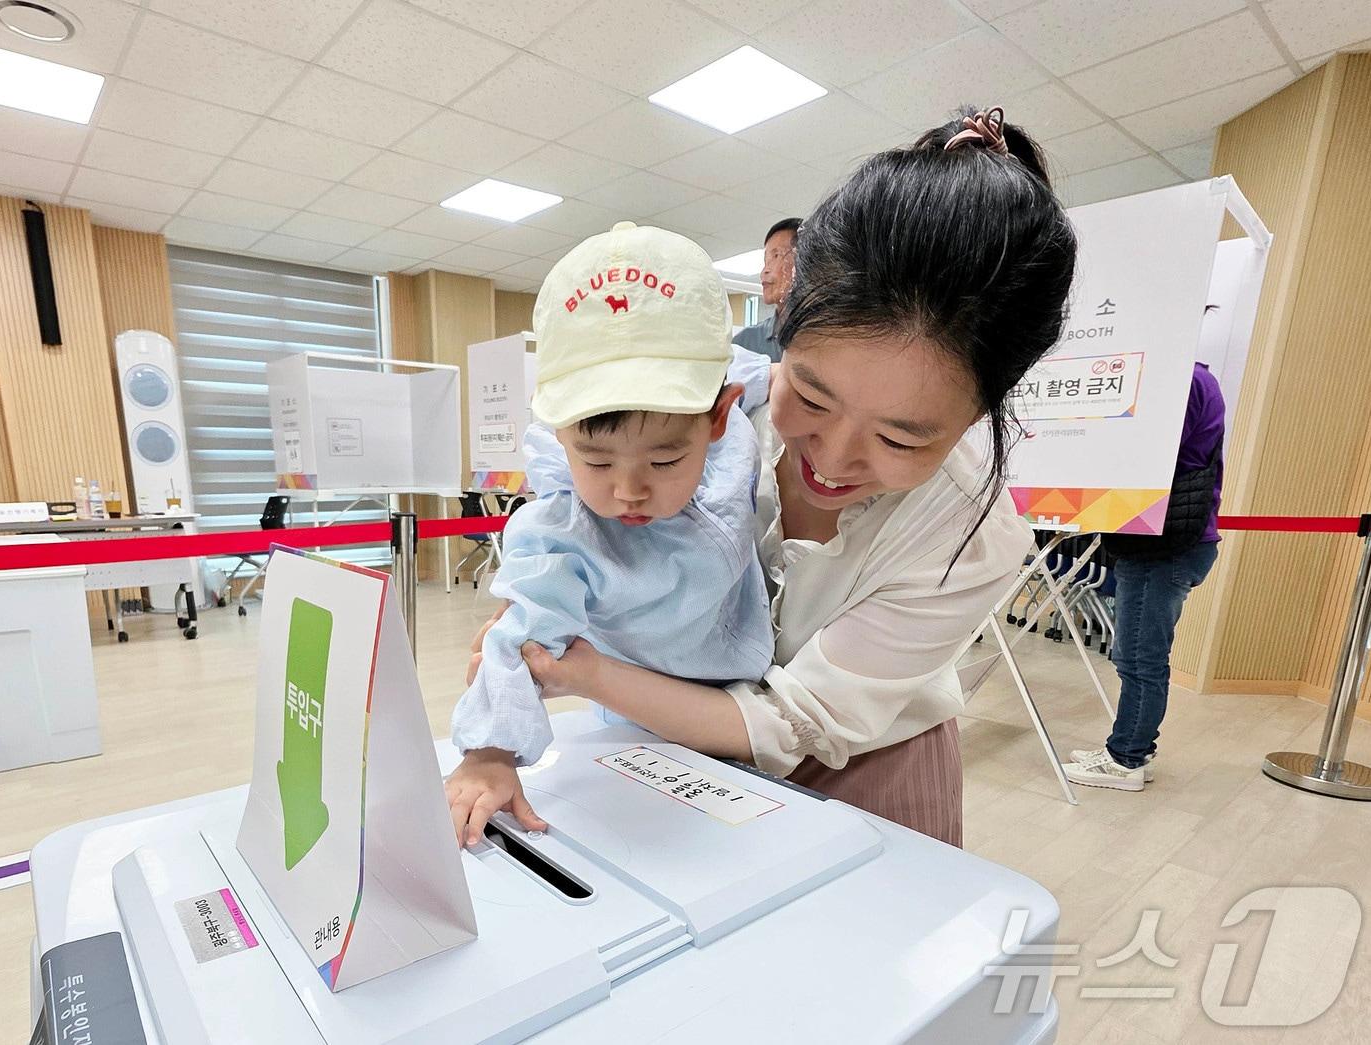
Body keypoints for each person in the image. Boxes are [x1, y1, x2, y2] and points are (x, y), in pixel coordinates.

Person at [467, 107, 1078, 847]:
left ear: (980, 413)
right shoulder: (692, 407)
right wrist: (541, 621)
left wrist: (586, 673)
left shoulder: (968, 534)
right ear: (782, 330)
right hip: (662, 751)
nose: (834, 460)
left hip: (862, 769)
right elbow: (579, 531)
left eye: (898, 437)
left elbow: (801, 724)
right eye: (812, 397)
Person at [447, 221, 774, 846]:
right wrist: (489, 753)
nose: (628, 491)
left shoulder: (729, 433)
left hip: (746, 712)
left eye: (665, 460)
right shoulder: (567, 530)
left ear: (718, 418)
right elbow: (522, 636)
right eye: (596, 462)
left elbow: (748, 368)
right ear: (561, 433)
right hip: (637, 721)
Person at [1066, 356, 1226, 791]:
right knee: (1141, 657)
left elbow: (1152, 458)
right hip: (1168, 542)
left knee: (1139, 659)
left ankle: (1126, 759)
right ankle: (1133, 747)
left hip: (1164, 545)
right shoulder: (1194, 378)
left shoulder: (1184, 381)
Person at [732, 217, 801, 362]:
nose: (764, 271)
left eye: (776, 256)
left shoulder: (830, 339)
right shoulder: (745, 344)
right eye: (766, 261)